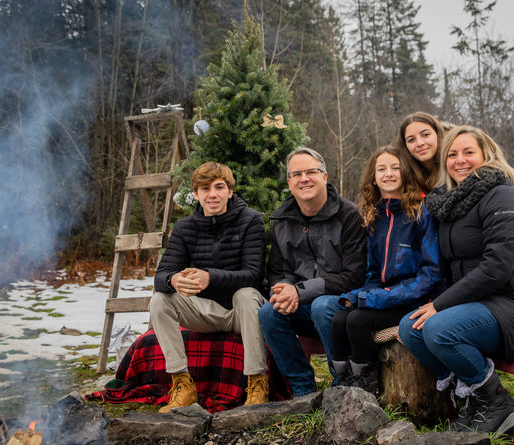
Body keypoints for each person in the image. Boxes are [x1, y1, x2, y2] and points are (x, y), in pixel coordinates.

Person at [398, 125, 514, 435]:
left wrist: (440, 305)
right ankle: (473, 395)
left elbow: (496, 268)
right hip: (482, 303)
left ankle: (496, 401)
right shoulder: (450, 203)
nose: (460, 161)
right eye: (452, 154)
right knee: (410, 328)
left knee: (440, 329)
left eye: (469, 152)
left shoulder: (503, 195)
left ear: (487, 155)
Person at [150, 161, 269, 412]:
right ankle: (182, 384)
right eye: (205, 188)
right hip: (203, 311)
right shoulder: (185, 227)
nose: (212, 194)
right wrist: (173, 280)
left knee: (247, 294)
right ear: (195, 194)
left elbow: (254, 275)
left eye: (219, 187)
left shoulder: (250, 221)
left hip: (242, 312)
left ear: (230, 191)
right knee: (160, 299)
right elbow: (161, 276)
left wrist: (210, 277)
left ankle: (257, 382)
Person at [329, 146, 442, 394]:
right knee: (339, 319)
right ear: (373, 176)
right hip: (384, 297)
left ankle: (366, 385)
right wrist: (359, 295)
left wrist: (378, 298)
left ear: (406, 173)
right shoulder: (375, 217)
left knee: (359, 320)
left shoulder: (421, 214)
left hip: (414, 300)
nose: (388, 174)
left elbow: (430, 274)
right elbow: (372, 273)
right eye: (381, 169)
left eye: (395, 168)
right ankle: (343, 382)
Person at [258, 147, 366, 398]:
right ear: (289, 182)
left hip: (345, 303)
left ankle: (342, 383)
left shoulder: (348, 215)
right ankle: (302, 389)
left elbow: (354, 275)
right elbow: (276, 271)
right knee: (268, 312)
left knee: (322, 306)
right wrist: (284, 290)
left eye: (311, 172)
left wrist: (300, 291)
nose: (304, 179)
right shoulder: (282, 221)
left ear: (325, 177)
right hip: (302, 303)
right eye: (296, 174)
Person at [395, 112, 453, 193]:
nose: (419, 143)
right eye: (411, 140)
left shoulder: (457, 167)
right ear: (405, 146)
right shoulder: (402, 178)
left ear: (438, 134)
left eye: (425, 135)